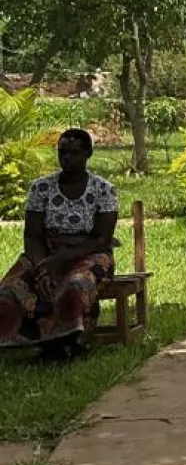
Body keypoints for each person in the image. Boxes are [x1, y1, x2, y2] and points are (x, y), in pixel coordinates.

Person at [0, 129, 118, 358]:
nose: (67, 158)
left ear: (88, 154)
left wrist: (58, 261)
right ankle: (40, 341)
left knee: (76, 285)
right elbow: (33, 236)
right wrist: (43, 267)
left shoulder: (104, 189)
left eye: (74, 153)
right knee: (11, 286)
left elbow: (102, 239)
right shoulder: (41, 188)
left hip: (89, 254)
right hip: (45, 253)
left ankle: (73, 341)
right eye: (62, 152)